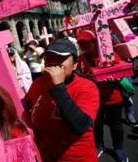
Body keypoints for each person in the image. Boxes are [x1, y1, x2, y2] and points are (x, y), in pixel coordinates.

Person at [24, 38, 99, 161]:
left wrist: (58, 87)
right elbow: (25, 105)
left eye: (60, 58)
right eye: (49, 57)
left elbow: (80, 125)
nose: (53, 62)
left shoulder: (87, 87)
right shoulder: (39, 83)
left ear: (75, 64)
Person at [76, 30, 129, 162]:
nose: (83, 46)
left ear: (94, 42)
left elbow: (121, 71)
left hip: (113, 98)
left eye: (86, 43)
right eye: (81, 44)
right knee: (97, 126)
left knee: (116, 126)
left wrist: (115, 78)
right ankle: (99, 146)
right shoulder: (81, 59)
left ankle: (119, 149)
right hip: (94, 100)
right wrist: (85, 78)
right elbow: (77, 76)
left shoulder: (109, 53)